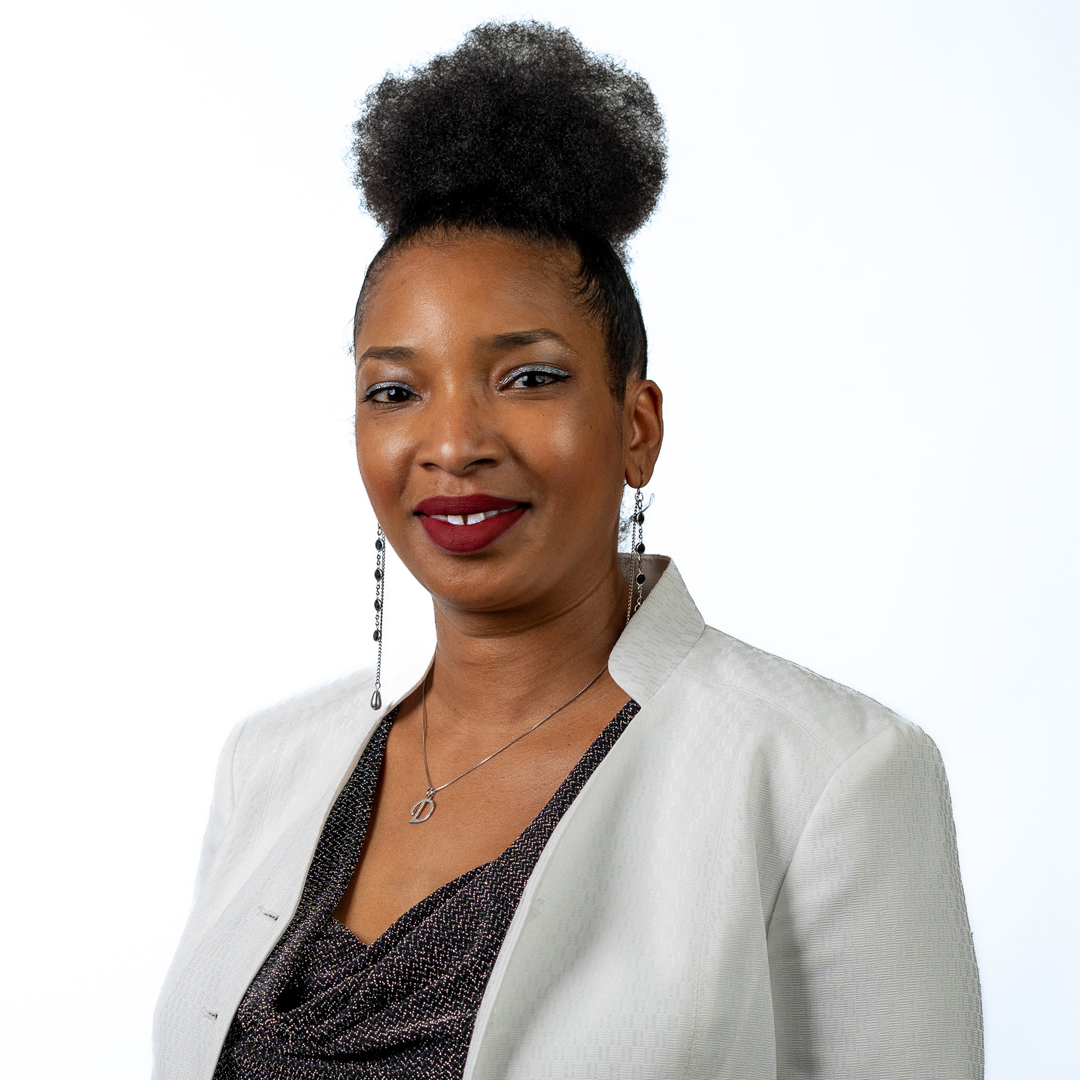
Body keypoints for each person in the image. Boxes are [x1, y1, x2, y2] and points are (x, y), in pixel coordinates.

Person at [153, 21, 983, 1080]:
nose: (453, 443)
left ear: (637, 424)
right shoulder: (267, 765)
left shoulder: (829, 776)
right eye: (396, 391)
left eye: (529, 377)